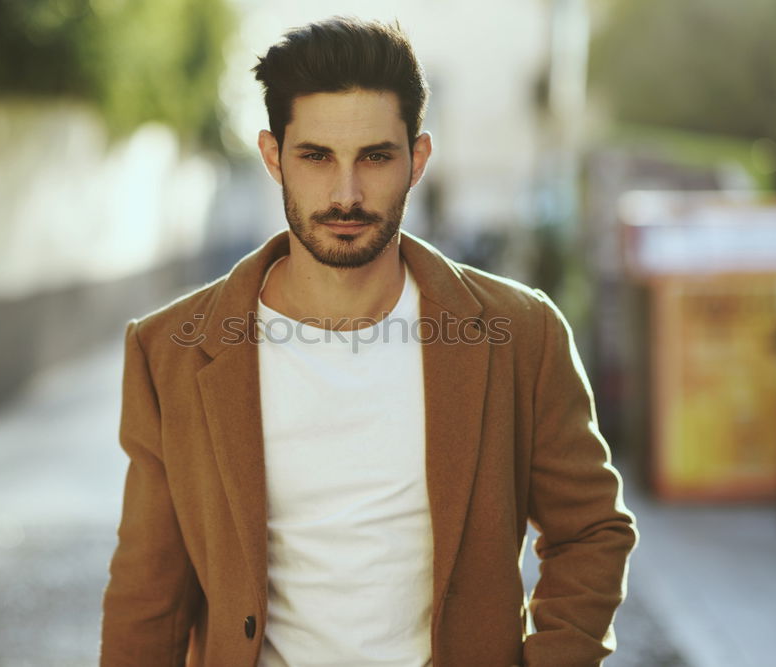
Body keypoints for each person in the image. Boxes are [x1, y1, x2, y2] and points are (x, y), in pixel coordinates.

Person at [100, 16, 637, 667]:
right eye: (317, 156)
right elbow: (147, 601)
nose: (346, 194)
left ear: (418, 159)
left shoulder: (520, 333)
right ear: (273, 156)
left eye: (376, 157)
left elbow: (590, 530)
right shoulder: (171, 352)